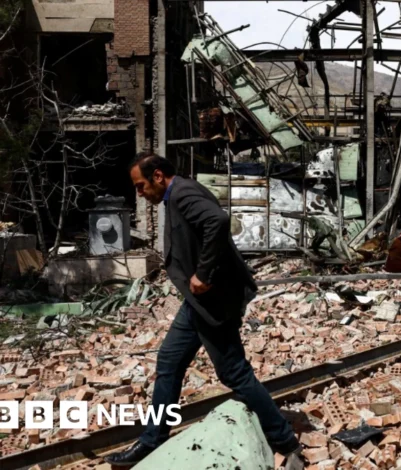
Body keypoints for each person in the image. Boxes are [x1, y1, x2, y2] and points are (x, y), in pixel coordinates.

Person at [105, 152, 303, 469]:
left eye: (141, 186)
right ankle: (152, 439)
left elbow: (217, 222)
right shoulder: (177, 194)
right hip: (197, 302)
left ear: (157, 176)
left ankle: (286, 442)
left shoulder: (182, 193)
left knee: (234, 372)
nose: (139, 194)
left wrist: (203, 273)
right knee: (169, 361)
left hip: (214, 299)